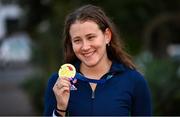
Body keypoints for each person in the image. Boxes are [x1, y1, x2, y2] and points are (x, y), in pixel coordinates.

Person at [44, 4, 152, 116]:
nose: (85, 47)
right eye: (77, 40)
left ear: (107, 36)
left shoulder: (134, 81)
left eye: (90, 37)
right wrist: (61, 108)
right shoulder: (58, 83)